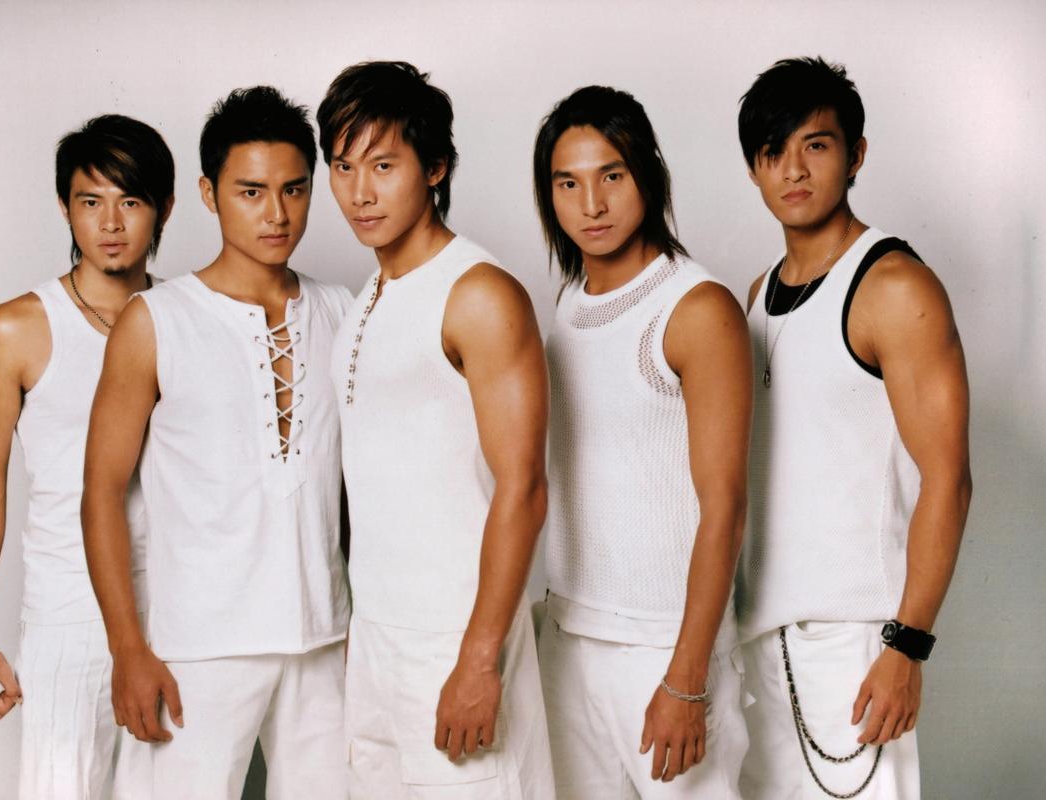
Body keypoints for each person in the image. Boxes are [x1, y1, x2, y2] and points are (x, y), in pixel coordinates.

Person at [80, 87, 351, 799]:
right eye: (251, 191)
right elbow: (101, 493)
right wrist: (128, 649)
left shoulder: (342, 311)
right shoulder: (155, 321)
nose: (277, 213)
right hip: (197, 647)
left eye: (294, 189)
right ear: (208, 194)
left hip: (325, 640)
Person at [316, 61, 555, 799]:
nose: (359, 191)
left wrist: (479, 660)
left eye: (383, 165)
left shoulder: (478, 294)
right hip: (376, 641)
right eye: (342, 167)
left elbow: (524, 487)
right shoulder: (369, 295)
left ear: (436, 167)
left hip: (456, 639)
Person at [735, 57, 972, 799]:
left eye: (816, 144)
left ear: (855, 154)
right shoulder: (755, 296)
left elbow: (948, 478)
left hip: (855, 646)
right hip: (756, 642)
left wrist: (907, 646)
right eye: (773, 151)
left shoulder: (893, 287)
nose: (793, 169)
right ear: (753, 169)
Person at [531, 85, 752, 799]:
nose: (591, 204)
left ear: (648, 174)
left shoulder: (695, 308)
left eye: (612, 176)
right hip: (569, 635)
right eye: (567, 183)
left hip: (665, 647)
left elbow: (725, 506)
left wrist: (687, 678)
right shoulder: (568, 305)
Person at [0, 113, 173, 799]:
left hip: (179, 609)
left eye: (130, 201)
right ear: (64, 206)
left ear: (164, 208)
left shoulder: (186, 318)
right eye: (90, 201)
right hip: (69, 615)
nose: (110, 223)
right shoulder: (15, 329)